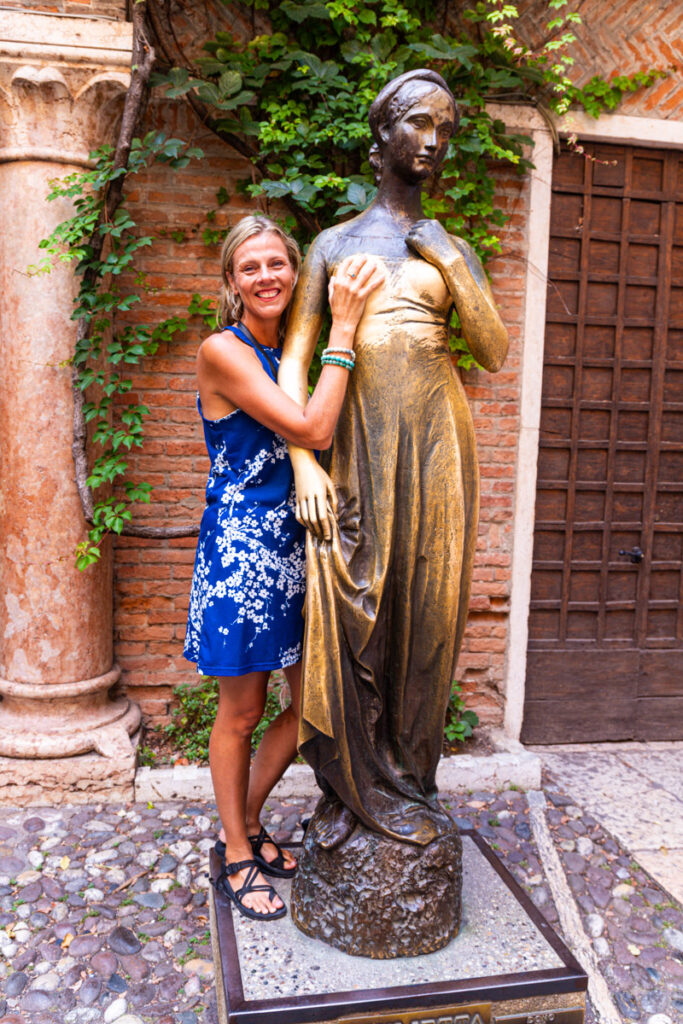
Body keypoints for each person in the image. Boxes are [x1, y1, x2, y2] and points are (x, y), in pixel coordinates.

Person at [278, 70, 509, 852]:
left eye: (444, 126)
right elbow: (293, 361)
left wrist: (453, 262)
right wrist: (303, 462)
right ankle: (350, 786)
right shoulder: (333, 244)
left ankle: (414, 782)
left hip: (439, 442)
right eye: (417, 123)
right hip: (353, 446)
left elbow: (492, 350)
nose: (434, 141)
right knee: (352, 611)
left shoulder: (450, 246)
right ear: (381, 139)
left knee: (429, 607)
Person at [183, 214, 384, 919]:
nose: (266, 276)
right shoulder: (225, 351)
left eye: (277, 264)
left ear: (295, 272)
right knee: (240, 713)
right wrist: (344, 331)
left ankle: (243, 823)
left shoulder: (289, 354)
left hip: (306, 545)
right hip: (244, 550)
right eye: (250, 268)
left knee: (310, 708)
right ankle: (236, 853)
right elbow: (312, 429)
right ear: (231, 283)